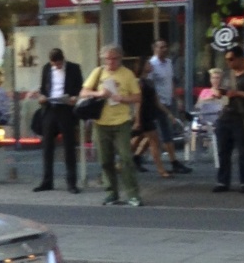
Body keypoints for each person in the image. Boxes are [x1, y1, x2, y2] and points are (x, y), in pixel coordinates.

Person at [81, 44, 143, 206]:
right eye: (107, 58)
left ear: (120, 58)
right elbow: (84, 92)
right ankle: (111, 192)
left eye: (114, 58)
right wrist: (99, 93)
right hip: (101, 121)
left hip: (121, 121)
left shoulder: (127, 74)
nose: (111, 62)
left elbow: (137, 97)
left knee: (126, 158)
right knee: (105, 160)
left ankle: (133, 194)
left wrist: (122, 98)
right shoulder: (98, 72)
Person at [213, 45, 244, 193]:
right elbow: (222, 90)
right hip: (226, 115)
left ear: (241, 59)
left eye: (232, 59)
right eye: (227, 59)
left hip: (242, 116)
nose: (229, 62)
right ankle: (223, 181)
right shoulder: (227, 74)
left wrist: (239, 93)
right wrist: (220, 93)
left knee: (243, 150)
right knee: (223, 150)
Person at [33, 48, 83, 193]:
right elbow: (43, 88)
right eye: (54, 64)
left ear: (63, 59)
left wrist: (75, 98)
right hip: (50, 108)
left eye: (59, 64)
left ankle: (71, 183)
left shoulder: (74, 68)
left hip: (66, 109)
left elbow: (80, 88)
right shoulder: (46, 69)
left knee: (69, 147)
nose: (57, 67)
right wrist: (41, 97)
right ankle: (47, 181)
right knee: (47, 146)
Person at [147, 39, 192, 174]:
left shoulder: (168, 63)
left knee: (147, 133)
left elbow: (171, 81)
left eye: (165, 47)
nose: (164, 49)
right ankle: (174, 162)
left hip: (167, 101)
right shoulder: (152, 64)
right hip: (157, 103)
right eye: (161, 47)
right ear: (155, 48)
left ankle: (136, 157)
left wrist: (176, 98)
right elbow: (149, 85)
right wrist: (154, 101)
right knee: (165, 132)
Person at [131, 59, 173, 179]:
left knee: (138, 140)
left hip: (149, 113)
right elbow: (138, 102)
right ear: (142, 66)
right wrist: (137, 119)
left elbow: (157, 101)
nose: (150, 65)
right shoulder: (139, 82)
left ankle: (120, 163)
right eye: (148, 63)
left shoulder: (149, 82)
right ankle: (161, 170)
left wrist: (168, 113)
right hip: (143, 114)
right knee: (154, 141)